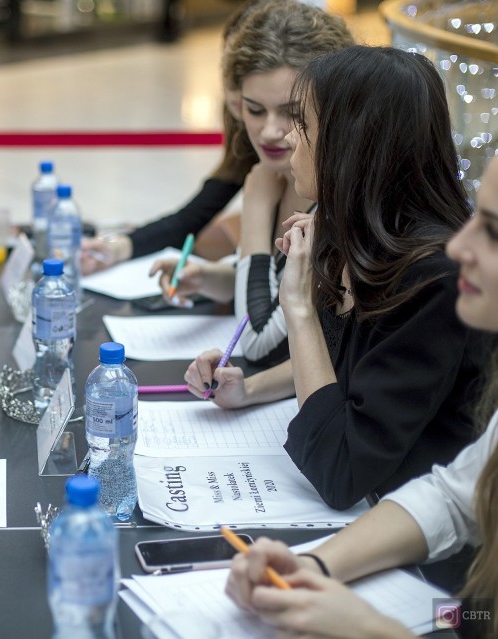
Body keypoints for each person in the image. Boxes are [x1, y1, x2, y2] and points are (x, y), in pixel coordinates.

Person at [184, 45, 484, 510]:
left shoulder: (433, 279)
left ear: (351, 147)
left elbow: (341, 472)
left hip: (422, 549)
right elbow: (352, 372)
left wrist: (300, 306)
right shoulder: (356, 236)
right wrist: (248, 390)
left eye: (302, 125)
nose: (289, 142)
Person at [224, 154, 498, 639]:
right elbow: (452, 499)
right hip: (468, 609)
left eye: (493, 232)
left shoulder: (424, 278)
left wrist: (372, 629)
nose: (460, 246)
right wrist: (313, 567)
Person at [150, 1, 353, 367]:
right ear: (234, 102)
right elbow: (278, 285)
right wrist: (215, 277)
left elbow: (259, 341)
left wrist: (256, 214)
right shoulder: (277, 170)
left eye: (293, 113)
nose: (270, 131)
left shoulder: (336, 197)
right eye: (255, 110)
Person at [79, 0, 265, 275]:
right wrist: (120, 246)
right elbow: (192, 216)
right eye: (231, 72)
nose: (233, 91)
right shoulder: (247, 134)